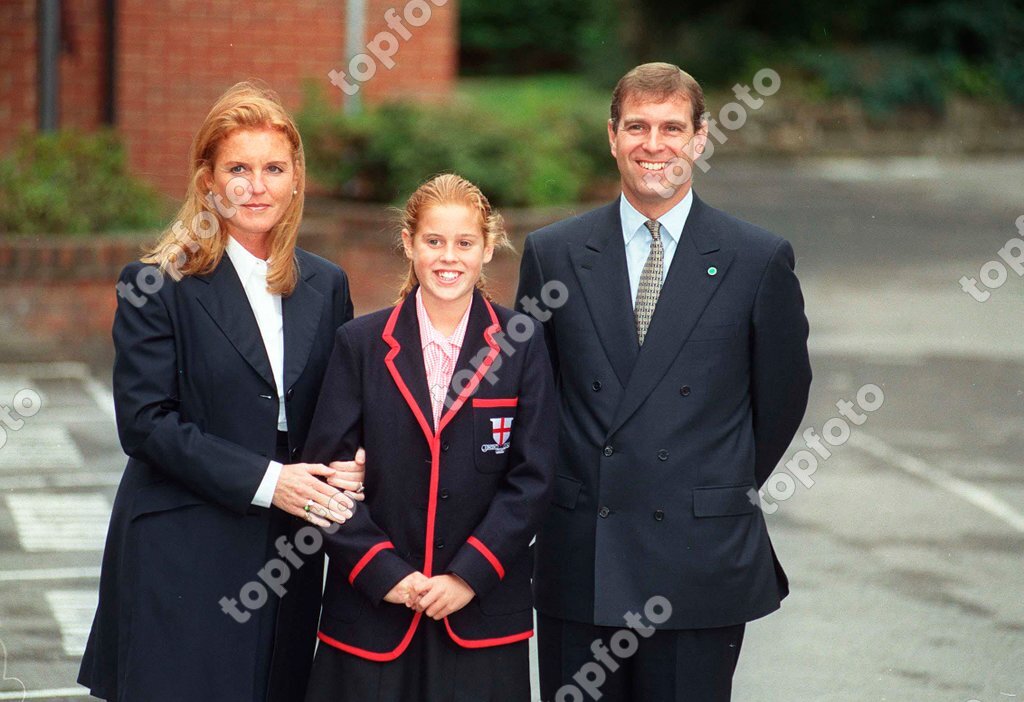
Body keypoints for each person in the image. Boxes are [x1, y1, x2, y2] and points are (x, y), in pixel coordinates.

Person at [516, 62, 812, 700]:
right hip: (582, 553)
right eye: (638, 127)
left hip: (697, 556)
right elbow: (534, 398)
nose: (655, 145)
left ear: (701, 138)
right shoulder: (555, 253)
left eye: (672, 128)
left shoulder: (755, 259)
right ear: (613, 136)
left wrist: (706, 482)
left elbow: (782, 399)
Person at [78, 81, 364, 702]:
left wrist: (360, 456)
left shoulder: (327, 283)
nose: (255, 186)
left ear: (295, 180)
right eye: (238, 168)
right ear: (207, 181)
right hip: (183, 548)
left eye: (273, 168)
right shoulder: (158, 281)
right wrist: (271, 481)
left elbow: (344, 409)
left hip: (288, 554)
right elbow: (147, 423)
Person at [302, 174, 556, 701]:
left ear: (488, 248)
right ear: (409, 244)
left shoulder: (522, 345)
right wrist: (384, 572)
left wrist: (468, 576)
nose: (449, 257)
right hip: (371, 614)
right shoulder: (360, 344)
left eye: (465, 243)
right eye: (433, 241)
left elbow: (533, 480)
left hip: (482, 614)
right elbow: (324, 482)